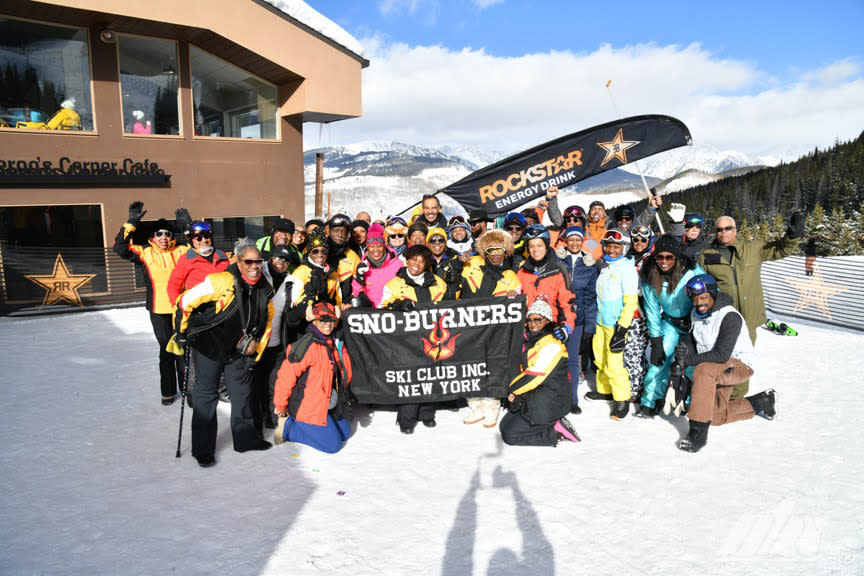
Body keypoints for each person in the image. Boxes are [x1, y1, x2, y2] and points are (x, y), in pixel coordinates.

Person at [171, 239, 275, 467]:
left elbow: (266, 326)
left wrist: (254, 355)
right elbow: (184, 301)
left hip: (238, 350)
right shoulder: (221, 281)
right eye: (249, 261)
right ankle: (203, 449)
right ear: (239, 262)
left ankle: (246, 439)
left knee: (242, 393)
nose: (254, 266)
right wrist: (181, 331)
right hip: (210, 346)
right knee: (206, 395)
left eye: (258, 261)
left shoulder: (264, 289)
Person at [697, 211, 805, 397]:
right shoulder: (707, 256)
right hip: (723, 319)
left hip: (749, 318)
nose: (723, 233)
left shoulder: (753, 249)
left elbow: (781, 250)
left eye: (728, 228)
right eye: (719, 229)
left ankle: (735, 399)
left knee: (742, 360)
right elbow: (699, 286)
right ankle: (719, 395)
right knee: (721, 357)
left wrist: (793, 234)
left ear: (735, 230)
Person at [676, 274, 776, 452]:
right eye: (695, 298)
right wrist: (682, 353)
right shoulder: (696, 314)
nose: (699, 302)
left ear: (713, 295)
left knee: (703, 370)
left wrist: (688, 361)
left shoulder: (730, 316)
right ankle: (762, 401)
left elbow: (721, 354)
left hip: (739, 364)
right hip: (718, 367)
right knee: (715, 417)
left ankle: (697, 433)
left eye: (704, 297)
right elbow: (693, 340)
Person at [113, 202, 187, 405]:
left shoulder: (181, 252)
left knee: (183, 348)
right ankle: (168, 391)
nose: (164, 238)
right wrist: (132, 222)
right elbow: (119, 247)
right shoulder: (145, 253)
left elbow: (202, 247)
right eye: (159, 234)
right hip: (158, 310)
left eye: (168, 234)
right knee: (166, 349)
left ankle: (187, 388)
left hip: (181, 310)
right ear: (152, 238)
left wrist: (187, 227)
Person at [380, 244, 449, 434]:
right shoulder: (394, 284)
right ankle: (407, 418)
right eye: (413, 259)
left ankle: (426, 413)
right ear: (407, 259)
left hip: (431, 338)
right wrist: (397, 304)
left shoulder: (438, 283)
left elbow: (447, 308)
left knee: (429, 376)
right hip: (405, 340)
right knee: (410, 378)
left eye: (421, 260)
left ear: (427, 263)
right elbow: (381, 308)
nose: (416, 264)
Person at [635, 236, 704, 418]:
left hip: (692, 323)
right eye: (660, 257)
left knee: (690, 363)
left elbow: (708, 294)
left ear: (677, 257)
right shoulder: (651, 275)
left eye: (669, 257)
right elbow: (651, 311)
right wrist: (656, 341)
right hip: (670, 322)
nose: (664, 262)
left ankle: (689, 401)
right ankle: (650, 401)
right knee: (659, 359)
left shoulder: (691, 271)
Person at [460, 229, 522, 427]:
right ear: (485, 252)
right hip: (470, 326)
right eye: (491, 250)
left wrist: (513, 298)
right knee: (471, 364)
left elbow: (517, 302)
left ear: (506, 253)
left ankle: (492, 405)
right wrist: (457, 262)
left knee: (493, 365)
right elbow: (456, 284)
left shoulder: (510, 276)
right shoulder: (472, 264)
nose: (496, 254)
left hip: (495, 330)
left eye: (500, 250)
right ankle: (475, 404)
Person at [273, 302, 353, 453]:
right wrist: (280, 405)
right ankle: (288, 428)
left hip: (326, 401)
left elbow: (344, 368)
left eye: (331, 320)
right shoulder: (307, 345)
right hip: (307, 405)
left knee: (345, 433)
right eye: (323, 321)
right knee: (333, 446)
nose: (327, 325)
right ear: (314, 321)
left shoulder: (334, 340)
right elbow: (285, 377)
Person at [499, 299, 581, 447]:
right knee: (504, 425)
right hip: (538, 393)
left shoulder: (552, 344)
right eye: (529, 320)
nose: (533, 323)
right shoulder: (534, 340)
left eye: (538, 319)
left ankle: (554, 433)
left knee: (509, 435)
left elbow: (534, 376)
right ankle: (550, 422)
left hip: (552, 398)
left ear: (548, 321)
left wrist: (512, 390)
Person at [588, 228, 639, 420]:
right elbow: (587, 243)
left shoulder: (626, 269)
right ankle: (605, 390)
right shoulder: (606, 265)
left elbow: (631, 302)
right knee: (600, 358)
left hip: (615, 325)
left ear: (624, 248)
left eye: (616, 247)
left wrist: (622, 328)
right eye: (608, 246)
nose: (611, 250)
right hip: (601, 322)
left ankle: (621, 399)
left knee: (614, 364)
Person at [254, 245, 301, 430]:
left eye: (285, 260)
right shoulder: (258, 273)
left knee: (275, 381)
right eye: (277, 258)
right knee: (255, 383)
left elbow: (298, 304)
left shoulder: (292, 282)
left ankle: (272, 417)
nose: (280, 263)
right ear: (269, 258)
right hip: (256, 342)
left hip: (276, 342)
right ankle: (256, 417)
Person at [557, 226, 599, 414]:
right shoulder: (556, 259)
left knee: (573, 361)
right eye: (571, 239)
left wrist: (589, 325)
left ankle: (572, 400)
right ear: (566, 240)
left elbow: (591, 298)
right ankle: (553, 398)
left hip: (578, 319)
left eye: (578, 239)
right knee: (554, 359)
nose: (574, 243)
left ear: (582, 241)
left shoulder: (589, 264)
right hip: (557, 317)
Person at [516, 225, 576, 341]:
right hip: (529, 330)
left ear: (546, 246)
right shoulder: (522, 271)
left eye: (539, 245)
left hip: (552, 329)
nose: (535, 250)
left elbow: (567, 302)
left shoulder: (558, 270)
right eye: (531, 246)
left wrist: (566, 327)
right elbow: (517, 302)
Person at [167, 217, 230, 306]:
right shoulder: (186, 259)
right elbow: (174, 284)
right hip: (199, 307)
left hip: (223, 304)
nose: (204, 240)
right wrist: (177, 305)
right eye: (199, 239)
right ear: (191, 240)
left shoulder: (221, 255)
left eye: (206, 237)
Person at [351, 223, 404, 308]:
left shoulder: (398, 264)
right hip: (372, 314)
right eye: (371, 246)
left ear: (384, 247)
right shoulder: (363, 266)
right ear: (367, 247)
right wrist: (358, 278)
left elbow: (405, 288)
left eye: (379, 246)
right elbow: (356, 294)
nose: (376, 250)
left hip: (393, 311)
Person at [325, 213, 361, 305]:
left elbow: (359, 284)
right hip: (321, 306)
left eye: (343, 231)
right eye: (336, 231)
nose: (340, 234)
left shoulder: (353, 257)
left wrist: (351, 301)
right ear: (329, 232)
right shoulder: (318, 252)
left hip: (344, 307)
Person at [427, 226, 463, 299]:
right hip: (430, 303)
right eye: (433, 240)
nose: (437, 243)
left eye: (441, 240)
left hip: (452, 302)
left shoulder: (456, 259)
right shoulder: (423, 262)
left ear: (446, 243)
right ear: (427, 244)